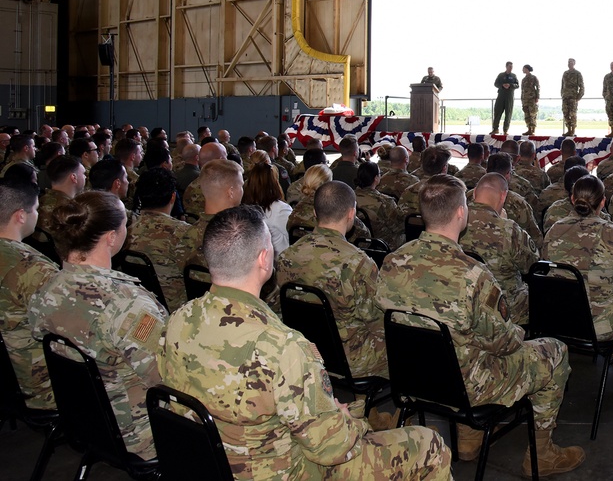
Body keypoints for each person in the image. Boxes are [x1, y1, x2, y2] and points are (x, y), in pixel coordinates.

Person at [160, 205, 451, 480]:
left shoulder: (177, 320)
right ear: (264, 259)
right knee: (429, 444)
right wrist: (351, 421)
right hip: (289, 472)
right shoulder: (282, 347)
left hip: (208, 466)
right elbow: (331, 448)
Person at [377, 174, 585, 475]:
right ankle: (542, 454)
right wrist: (519, 329)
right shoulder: (473, 275)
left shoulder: (392, 262)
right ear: (461, 213)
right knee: (554, 352)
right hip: (466, 384)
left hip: (411, 374)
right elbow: (504, 344)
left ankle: (469, 436)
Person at [30, 191, 167, 459]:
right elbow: (166, 375)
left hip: (86, 422)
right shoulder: (127, 304)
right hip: (139, 434)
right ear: (111, 237)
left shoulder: (45, 290)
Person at [543, 175, 613, 388]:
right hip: (600, 326)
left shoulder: (554, 230)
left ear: (572, 199)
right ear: (603, 202)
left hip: (560, 318)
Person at [276, 182, 389, 379]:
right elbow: (377, 321)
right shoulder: (358, 263)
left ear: (314, 212)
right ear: (351, 213)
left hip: (304, 346)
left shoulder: (287, 256)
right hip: (349, 357)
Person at [0, 179, 58, 410]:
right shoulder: (32, 268)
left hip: (7, 375)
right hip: (37, 381)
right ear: (20, 216)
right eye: (35, 209)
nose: (38, 215)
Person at [459, 173, 539, 324]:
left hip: (463, 299)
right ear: (504, 196)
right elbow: (532, 265)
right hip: (505, 308)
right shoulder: (509, 229)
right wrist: (504, 222)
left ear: (475, 192)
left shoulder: (456, 220)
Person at [127, 168, 193, 312]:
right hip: (177, 308)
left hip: (137, 304)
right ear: (173, 197)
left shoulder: (126, 230)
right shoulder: (184, 233)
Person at [243, 156, 293, 256]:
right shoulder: (281, 209)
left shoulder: (243, 208)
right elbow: (294, 238)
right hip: (279, 262)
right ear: (274, 183)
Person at [354, 161, 405, 249]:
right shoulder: (385, 201)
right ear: (376, 178)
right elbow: (398, 227)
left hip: (357, 243)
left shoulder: (349, 197)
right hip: (382, 245)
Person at [36, 155, 86, 233]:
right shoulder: (68, 211)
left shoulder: (40, 201)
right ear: (74, 177)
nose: (85, 177)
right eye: (83, 173)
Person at [490, 61, 520, 136]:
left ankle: (505, 130)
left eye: (512, 67)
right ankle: (495, 129)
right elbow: (496, 84)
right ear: (506, 66)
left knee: (508, 113)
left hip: (509, 96)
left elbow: (517, 85)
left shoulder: (513, 76)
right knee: (497, 112)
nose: (511, 68)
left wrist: (510, 85)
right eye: (510, 66)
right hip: (501, 95)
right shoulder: (501, 75)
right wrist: (502, 85)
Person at [560, 58, 585, 137]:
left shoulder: (577, 73)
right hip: (565, 97)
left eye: (571, 62)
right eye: (568, 62)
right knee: (565, 113)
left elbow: (582, 86)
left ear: (574, 63)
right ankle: (569, 130)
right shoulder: (565, 73)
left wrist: (578, 97)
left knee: (573, 114)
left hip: (573, 97)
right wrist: (562, 94)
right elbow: (562, 85)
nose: (569, 63)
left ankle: (573, 131)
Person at [521, 64, 540, 135]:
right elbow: (522, 90)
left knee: (532, 114)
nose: (522, 70)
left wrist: (537, 97)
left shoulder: (533, 77)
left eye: (523, 68)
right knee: (527, 115)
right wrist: (522, 99)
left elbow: (537, 87)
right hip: (525, 100)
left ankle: (533, 129)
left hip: (532, 99)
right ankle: (529, 129)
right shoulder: (523, 79)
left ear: (526, 69)